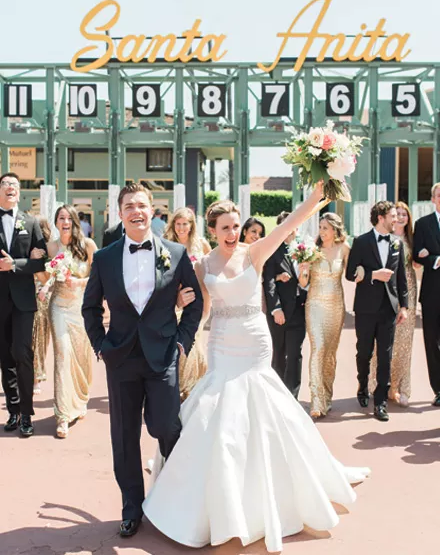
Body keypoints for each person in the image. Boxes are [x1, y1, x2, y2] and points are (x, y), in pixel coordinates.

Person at [143, 183, 369, 554]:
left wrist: (316, 197)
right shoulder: (202, 265)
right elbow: (197, 306)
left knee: (262, 407)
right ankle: (216, 498)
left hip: (254, 341)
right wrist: (183, 310)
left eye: (236, 226)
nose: (233, 233)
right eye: (225, 228)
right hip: (221, 343)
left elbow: (290, 223)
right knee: (218, 417)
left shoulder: (255, 252)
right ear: (212, 230)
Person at [82, 183, 203, 539]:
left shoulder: (176, 253)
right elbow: (90, 307)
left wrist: (182, 341)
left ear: (152, 210)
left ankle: (174, 501)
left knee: (166, 426)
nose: (136, 211)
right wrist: (100, 345)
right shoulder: (104, 258)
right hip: (120, 357)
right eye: (129, 206)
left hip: (163, 355)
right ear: (119, 213)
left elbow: (195, 303)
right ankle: (131, 508)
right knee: (124, 436)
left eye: (141, 205)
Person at [33, 205, 97, 438]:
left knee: (81, 357)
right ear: (56, 222)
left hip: (81, 309)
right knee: (62, 355)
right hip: (58, 306)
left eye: (69, 218)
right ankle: (62, 415)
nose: (65, 222)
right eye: (61, 218)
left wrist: (79, 282)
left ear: (75, 222)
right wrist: (35, 261)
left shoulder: (88, 245)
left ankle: (79, 400)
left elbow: (98, 276)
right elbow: (44, 278)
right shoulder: (50, 247)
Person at [346, 201, 408, 422]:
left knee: (385, 355)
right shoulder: (361, 242)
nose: (396, 219)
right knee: (364, 352)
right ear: (381, 218)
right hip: (365, 308)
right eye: (392, 216)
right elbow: (350, 274)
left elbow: (401, 278)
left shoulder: (397, 243)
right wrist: (373, 275)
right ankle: (363, 386)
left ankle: (380, 401)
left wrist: (404, 306)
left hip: (389, 308)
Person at [0, 172, 46, 437]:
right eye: (6, 184)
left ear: (19, 192)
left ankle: (27, 414)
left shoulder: (31, 222)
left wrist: (15, 264)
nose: (11, 188)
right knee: (5, 357)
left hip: (23, 300)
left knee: (22, 353)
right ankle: (13, 411)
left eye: (15, 185)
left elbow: (41, 262)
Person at [369, 202, 418, 407]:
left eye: (404, 214)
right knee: (385, 340)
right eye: (397, 214)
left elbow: (418, 262)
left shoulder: (412, 239)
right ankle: (379, 383)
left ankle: (402, 388)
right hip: (388, 290)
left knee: (405, 342)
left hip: (409, 290)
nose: (401, 217)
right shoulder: (385, 238)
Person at [302, 213, 350, 418]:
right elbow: (303, 282)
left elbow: (351, 274)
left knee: (330, 353)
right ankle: (316, 400)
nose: (321, 231)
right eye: (320, 227)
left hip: (336, 306)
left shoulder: (344, 248)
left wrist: (362, 271)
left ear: (334, 230)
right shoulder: (311, 250)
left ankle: (327, 397)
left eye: (325, 228)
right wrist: (304, 270)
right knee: (318, 348)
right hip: (314, 305)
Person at [164, 207, 211, 400]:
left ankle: (193, 389)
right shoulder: (166, 245)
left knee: (195, 343)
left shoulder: (201, 244)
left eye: (185, 224)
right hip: (175, 302)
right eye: (178, 224)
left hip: (199, 301)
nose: (181, 228)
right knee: (178, 343)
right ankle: (180, 387)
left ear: (191, 225)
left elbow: (211, 269)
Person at [262, 211, 306, 400]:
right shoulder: (272, 250)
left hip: (300, 309)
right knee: (279, 354)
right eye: (286, 226)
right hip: (280, 312)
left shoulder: (304, 250)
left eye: (293, 226)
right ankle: (277, 395)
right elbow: (268, 281)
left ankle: (293, 396)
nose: (290, 231)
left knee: (295, 354)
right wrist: (276, 308)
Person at [413, 182, 440, 406]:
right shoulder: (422, 224)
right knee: (432, 342)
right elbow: (416, 254)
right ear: (433, 199)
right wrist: (434, 259)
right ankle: (438, 389)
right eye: (439, 196)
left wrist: (430, 254)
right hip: (432, 293)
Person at [32, 216, 52, 395]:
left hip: (41, 298)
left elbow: (53, 275)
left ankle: (36, 377)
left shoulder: (49, 250)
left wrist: (45, 287)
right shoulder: (24, 248)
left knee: (39, 338)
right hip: (26, 296)